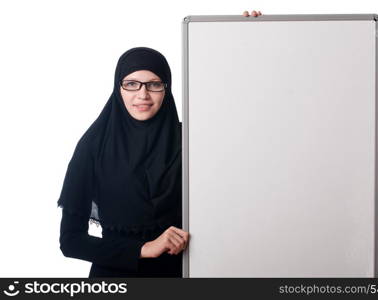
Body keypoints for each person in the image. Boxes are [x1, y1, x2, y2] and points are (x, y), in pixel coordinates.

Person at [57, 11, 262, 278]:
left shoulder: (193, 139)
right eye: (131, 84)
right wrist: (144, 248)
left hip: (188, 273)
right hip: (116, 279)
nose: (142, 94)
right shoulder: (94, 146)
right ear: (118, 89)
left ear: (167, 89)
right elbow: (71, 241)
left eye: (154, 84)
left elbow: (248, 129)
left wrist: (252, 37)